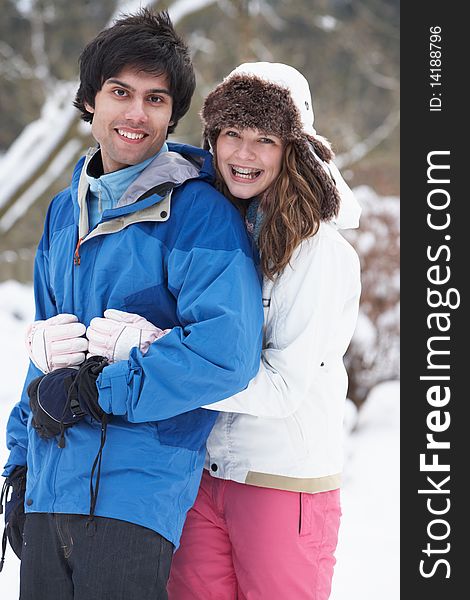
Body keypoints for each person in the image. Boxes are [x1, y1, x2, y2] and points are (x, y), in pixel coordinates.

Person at [2, 12, 263, 600]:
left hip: (136, 496)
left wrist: (103, 389)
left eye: (155, 98)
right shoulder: (63, 212)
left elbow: (228, 353)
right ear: (90, 101)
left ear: (174, 115)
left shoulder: (201, 215)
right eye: (120, 92)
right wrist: (19, 467)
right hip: (49, 487)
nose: (136, 114)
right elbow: (50, 353)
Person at [168, 62, 362, 599]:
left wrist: (161, 361)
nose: (244, 155)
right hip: (203, 473)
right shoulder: (217, 231)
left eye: (265, 139)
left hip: (282, 480)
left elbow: (281, 388)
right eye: (232, 134)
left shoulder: (318, 252)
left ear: (292, 149)